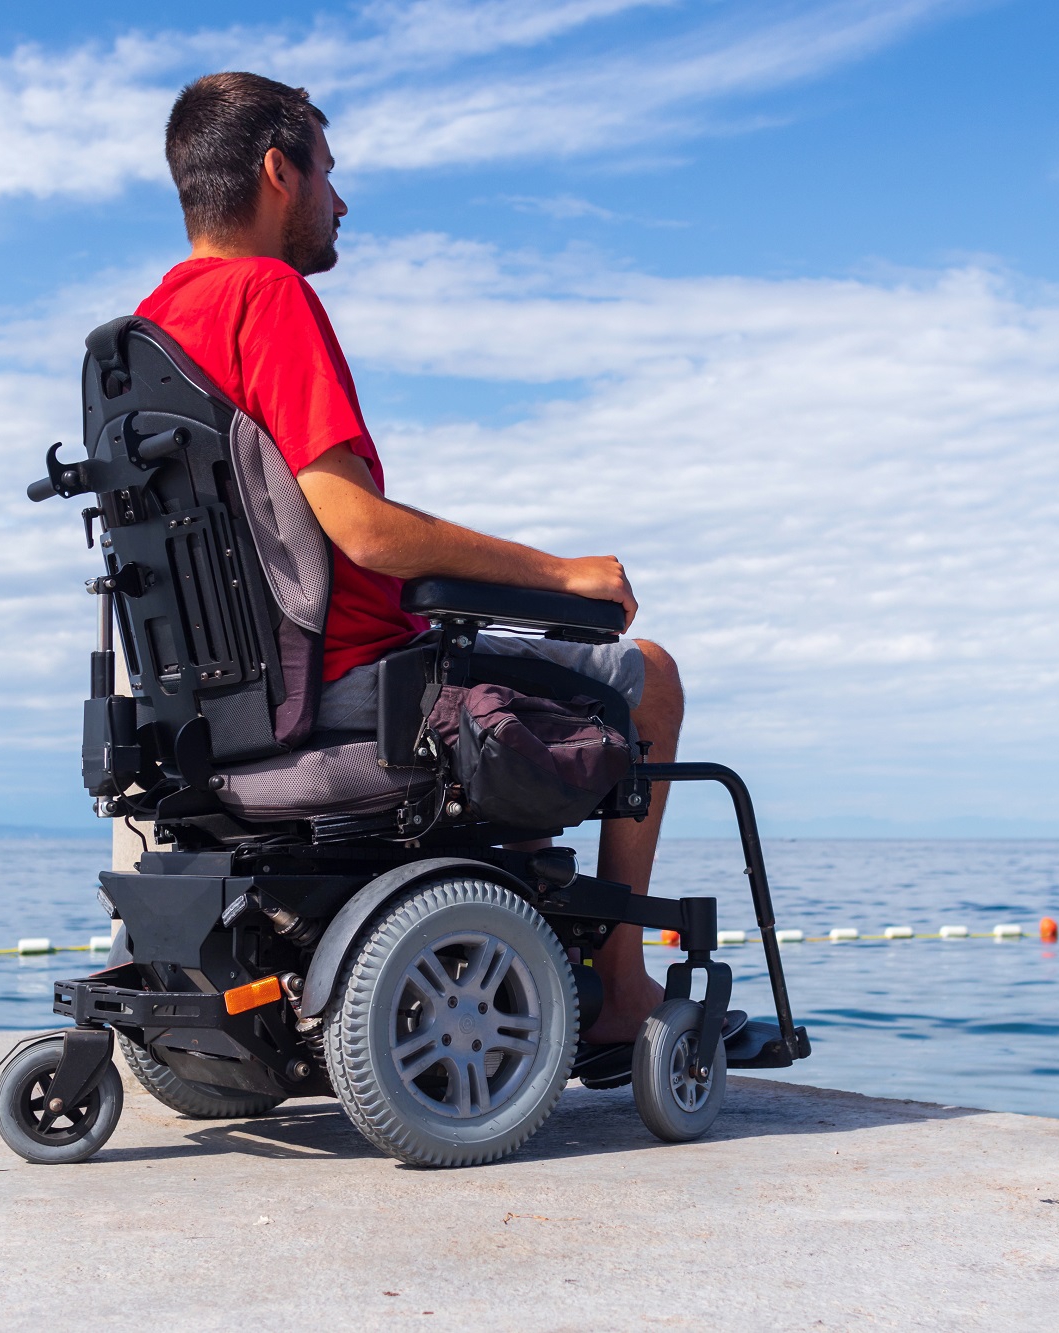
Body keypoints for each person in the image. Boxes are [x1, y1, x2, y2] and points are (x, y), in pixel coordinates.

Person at [135, 72, 680, 1045]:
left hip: (216, 708)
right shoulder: (268, 294)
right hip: (350, 680)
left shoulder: (149, 334)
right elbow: (361, 529)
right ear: (277, 172)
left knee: (514, 675)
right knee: (652, 682)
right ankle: (623, 989)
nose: (340, 201)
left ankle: (519, 946)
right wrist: (558, 573)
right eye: (329, 175)